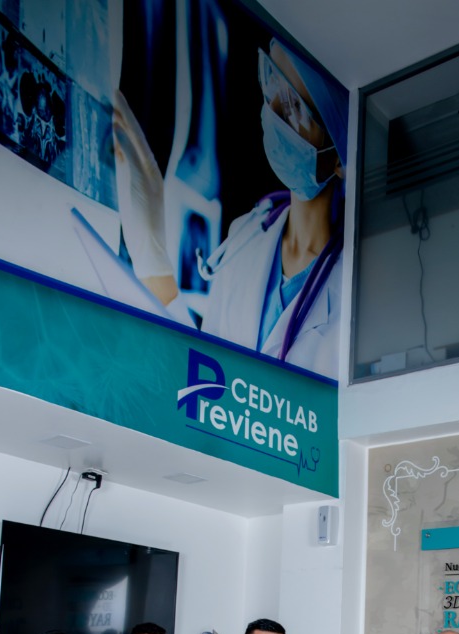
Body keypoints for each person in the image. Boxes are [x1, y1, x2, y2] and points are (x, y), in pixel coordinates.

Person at [113, 39, 348, 379]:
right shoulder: (245, 237)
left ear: (340, 156)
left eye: (294, 107)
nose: (272, 109)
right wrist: (152, 256)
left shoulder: (350, 294)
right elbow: (202, 382)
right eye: (273, 81)